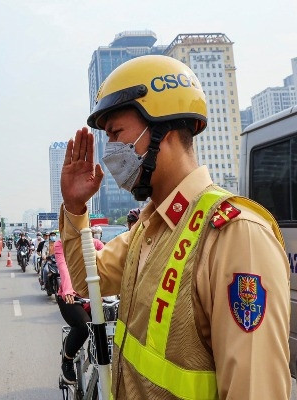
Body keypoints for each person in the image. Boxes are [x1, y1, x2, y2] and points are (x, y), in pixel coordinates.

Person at [59, 55, 290, 399]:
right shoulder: (149, 228)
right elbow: (87, 280)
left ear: (161, 129)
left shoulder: (235, 235)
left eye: (117, 134)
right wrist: (75, 208)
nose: (110, 152)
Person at [54, 238, 104, 384]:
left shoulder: (96, 244)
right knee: (84, 326)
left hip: (94, 297)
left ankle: (93, 349)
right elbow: (64, 268)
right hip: (71, 298)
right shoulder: (61, 244)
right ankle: (67, 360)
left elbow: (108, 266)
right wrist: (69, 290)